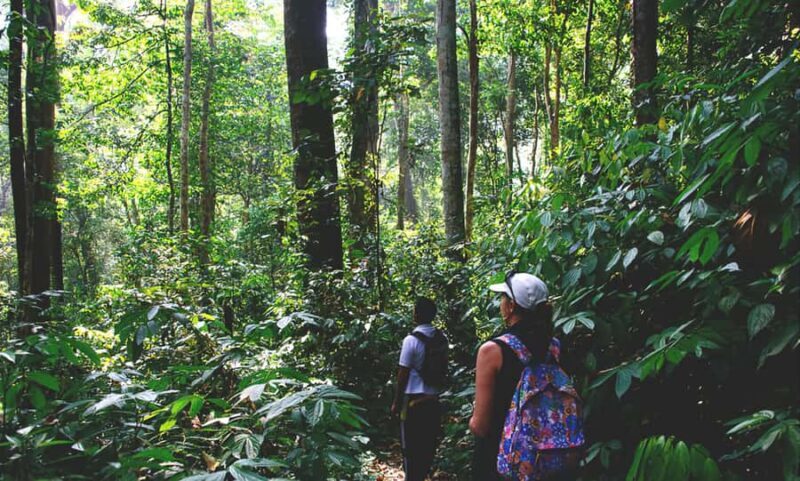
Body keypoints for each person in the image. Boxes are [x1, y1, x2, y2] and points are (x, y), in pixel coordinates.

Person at [469, 271, 562, 480]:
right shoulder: (554, 347)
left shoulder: (492, 350)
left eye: (503, 298)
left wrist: (471, 420)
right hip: (545, 458)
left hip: (500, 464)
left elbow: (481, 426)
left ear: (511, 306)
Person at [392, 297, 448, 481]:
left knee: (411, 450)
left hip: (413, 403)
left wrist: (397, 402)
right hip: (433, 401)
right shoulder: (442, 339)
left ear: (416, 315)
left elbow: (403, 374)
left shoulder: (411, 340)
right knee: (427, 446)